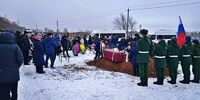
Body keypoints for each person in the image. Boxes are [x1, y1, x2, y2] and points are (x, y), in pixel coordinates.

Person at [0, 32, 23, 100]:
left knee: (3, 91)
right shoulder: (15, 47)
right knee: (14, 90)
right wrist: (16, 67)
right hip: (14, 74)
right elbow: (20, 60)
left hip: (2, 73)